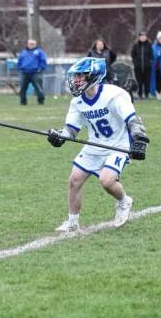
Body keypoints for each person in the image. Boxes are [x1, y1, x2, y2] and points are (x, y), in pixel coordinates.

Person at [47, 57, 149, 233]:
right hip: (94, 144)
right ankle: (72, 222)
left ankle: (124, 201)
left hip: (119, 144)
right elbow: (71, 130)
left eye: (81, 76)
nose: (76, 80)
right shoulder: (77, 101)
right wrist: (59, 136)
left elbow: (133, 121)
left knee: (106, 181)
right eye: (75, 76)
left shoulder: (113, 95)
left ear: (93, 76)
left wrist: (139, 138)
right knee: (74, 180)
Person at [17, 39, 47, 105]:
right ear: (27, 44)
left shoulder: (39, 52)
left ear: (35, 45)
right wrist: (20, 68)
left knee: (38, 87)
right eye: (30, 44)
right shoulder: (23, 52)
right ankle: (23, 102)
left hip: (35, 72)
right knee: (23, 88)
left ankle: (41, 101)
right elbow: (19, 61)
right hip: (24, 72)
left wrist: (40, 68)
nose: (31, 45)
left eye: (33, 44)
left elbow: (43, 61)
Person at [131, 31, 152, 100]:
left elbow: (151, 55)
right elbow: (133, 55)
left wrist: (149, 62)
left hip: (147, 67)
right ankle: (139, 94)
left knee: (147, 81)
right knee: (139, 82)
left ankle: (146, 94)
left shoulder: (149, 45)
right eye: (141, 36)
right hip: (138, 67)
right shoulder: (136, 45)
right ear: (139, 37)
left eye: (144, 36)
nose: (143, 37)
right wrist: (135, 63)